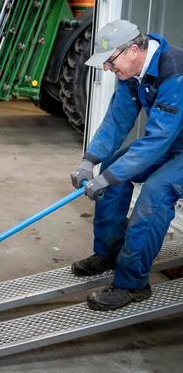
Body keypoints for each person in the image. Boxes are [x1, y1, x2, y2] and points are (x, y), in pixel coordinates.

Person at [70, 19, 183, 311]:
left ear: (133, 50)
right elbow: (117, 121)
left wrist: (106, 178)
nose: (107, 69)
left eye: (109, 61)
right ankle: (108, 253)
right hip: (172, 140)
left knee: (156, 192)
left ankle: (133, 284)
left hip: (172, 142)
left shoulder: (174, 72)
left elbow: (158, 138)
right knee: (113, 166)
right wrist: (90, 162)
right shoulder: (132, 74)